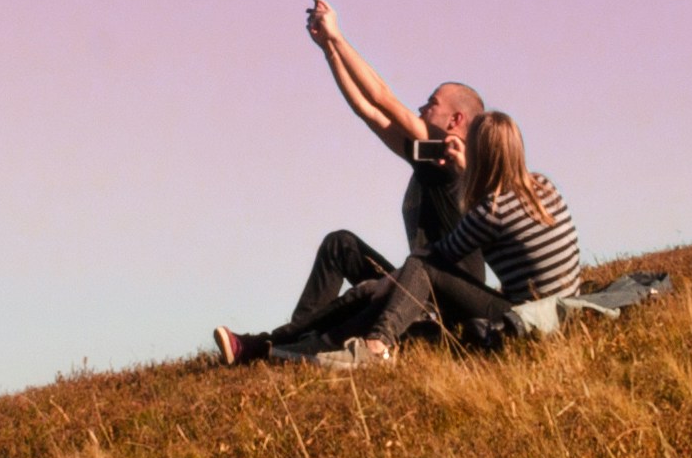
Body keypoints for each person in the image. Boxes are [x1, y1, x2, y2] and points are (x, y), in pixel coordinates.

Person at [215, 0, 478, 364]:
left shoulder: (451, 159)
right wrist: (328, 51)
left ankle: (279, 347)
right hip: (414, 284)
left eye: (431, 103)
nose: (420, 108)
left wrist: (338, 37)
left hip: (440, 302)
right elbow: (369, 111)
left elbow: (383, 98)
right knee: (341, 245)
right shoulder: (430, 158)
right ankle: (294, 340)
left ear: (456, 120)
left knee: (370, 292)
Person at [219, 110, 581, 365]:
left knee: (414, 266)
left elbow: (438, 258)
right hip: (560, 313)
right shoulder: (544, 187)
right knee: (378, 279)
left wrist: (396, 280)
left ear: (481, 155)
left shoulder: (491, 210)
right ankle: (282, 345)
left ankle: (374, 346)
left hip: (526, 320)